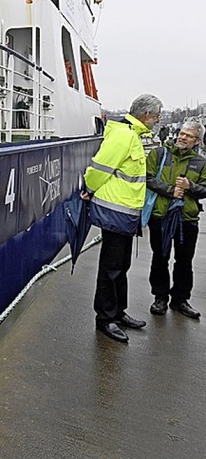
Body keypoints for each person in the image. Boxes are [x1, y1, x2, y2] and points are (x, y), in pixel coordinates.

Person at [83, 93, 163, 343]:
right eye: (157, 116)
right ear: (147, 115)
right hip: (115, 211)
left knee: (122, 266)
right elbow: (100, 168)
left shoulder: (132, 134)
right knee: (111, 268)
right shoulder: (124, 135)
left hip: (127, 213)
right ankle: (105, 319)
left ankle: (118, 312)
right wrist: (90, 188)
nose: (158, 120)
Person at [146, 119, 206, 319]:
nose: (182, 137)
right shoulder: (159, 154)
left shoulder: (201, 162)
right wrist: (171, 190)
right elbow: (147, 178)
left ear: (197, 141)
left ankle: (180, 300)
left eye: (188, 136)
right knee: (160, 257)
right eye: (182, 133)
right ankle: (160, 297)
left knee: (184, 261)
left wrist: (191, 186)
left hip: (187, 219)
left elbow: (204, 189)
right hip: (161, 216)